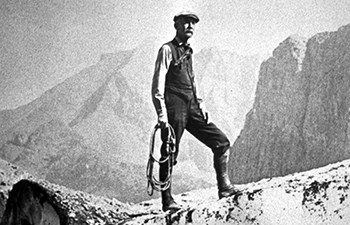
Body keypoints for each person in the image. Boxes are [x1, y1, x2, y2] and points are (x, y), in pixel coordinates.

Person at [151, 11, 240, 212]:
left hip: (191, 105)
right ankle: (167, 201)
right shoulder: (167, 50)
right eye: (186, 23)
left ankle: (224, 187)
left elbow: (193, 79)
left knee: (221, 141)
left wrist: (201, 104)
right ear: (176, 26)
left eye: (193, 23)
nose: (190, 26)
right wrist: (162, 116)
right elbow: (158, 85)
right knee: (170, 150)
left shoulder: (189, 51)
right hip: (174, 105)